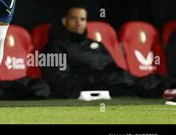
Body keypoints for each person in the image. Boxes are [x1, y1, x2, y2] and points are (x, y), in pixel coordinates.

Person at [42, 5, 176, 99]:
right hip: (92, 86)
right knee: (133, 87)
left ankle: (167, 89)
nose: (79, 23)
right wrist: (93, 78)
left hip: (116, 79)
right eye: (73, 18)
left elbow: (112, 65)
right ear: (64, 21)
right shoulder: (54, 47)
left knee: (152, 80)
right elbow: (58, 81)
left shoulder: (94, 44)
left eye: (82, 19)